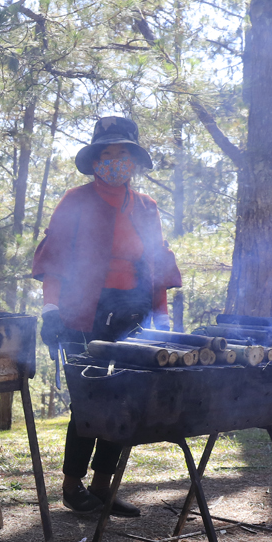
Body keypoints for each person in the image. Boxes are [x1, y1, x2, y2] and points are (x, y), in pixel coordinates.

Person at [32, 116, 182, 516]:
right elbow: (54, 261)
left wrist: (161, 322)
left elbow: (158, 269)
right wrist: (50, 311)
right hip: (83, 312)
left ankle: (103, 487)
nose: (116, 160)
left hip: (134, 312)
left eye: (123, 153)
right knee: (90, 400)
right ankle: (71, 486)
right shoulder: (76, 201)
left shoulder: (147, 207)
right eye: (108, 153)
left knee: (127, 399)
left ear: (134, 160)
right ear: (97, 159)